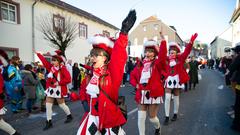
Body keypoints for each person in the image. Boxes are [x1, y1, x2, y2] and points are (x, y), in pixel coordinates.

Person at [76, 10, 136, 135]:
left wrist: (123, 33)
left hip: (108, 119)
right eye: (91, 55)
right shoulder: (90, 74)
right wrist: (83, 101)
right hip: (91, 118)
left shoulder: (111, 73)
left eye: (96, 55)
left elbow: (119, 55)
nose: (92, 58)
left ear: (105, 58)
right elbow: (83, 90)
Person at [130, 34, 167, 135]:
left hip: (153, 93)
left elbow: (163, 57)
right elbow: (132, 76)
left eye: (151, 51)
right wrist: (136, 85)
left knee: (152, 118)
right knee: (141, 118)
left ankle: (158, 127)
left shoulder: (157, 63)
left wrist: (163, 42)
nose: (148, 53)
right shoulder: (140, 64)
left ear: (155, 53)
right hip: (142, 93)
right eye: (146, 51)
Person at [163, 33, 198, 125]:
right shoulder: (166, 59)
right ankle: (166, 116)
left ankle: (175, 114)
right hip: (168, 80)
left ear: (176, 52)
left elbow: (187, 51)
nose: (172, 53)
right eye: (170, 51)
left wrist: (191, 42)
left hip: (177, 80)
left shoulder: (180, 58)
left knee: (176, 97)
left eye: (173, 51)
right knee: (167, 98)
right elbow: (161, 60)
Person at [36, 50, 73, 130]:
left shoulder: (63, 69)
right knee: (48, 105)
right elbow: (45, 62)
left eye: (54, 60)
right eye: (52, 60)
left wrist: (59, 83)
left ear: (59, 62)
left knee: (61, 105)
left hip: (59, 89)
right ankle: (49, 122)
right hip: (51, 89)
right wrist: (39, 54)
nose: (52, 62)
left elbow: (68, 79)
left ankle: (69, 115)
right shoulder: (51, 67)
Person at [0, 49, 21, 135]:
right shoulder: (11, 68)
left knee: (17, 98)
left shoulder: (15, 67)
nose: (19, 62)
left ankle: (17, 108)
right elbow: (12, 78)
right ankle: (14, 109)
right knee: (14, 98)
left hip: (16, 85)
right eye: (17, 60)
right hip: (12, 86)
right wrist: (15, 86)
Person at [226, 43, 240, 132]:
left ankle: (237, 124)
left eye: (235, 51)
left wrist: (227, 74)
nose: (233, 53)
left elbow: (231, 67)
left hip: (239, 84)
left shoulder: (239, 57)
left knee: (238, 103)